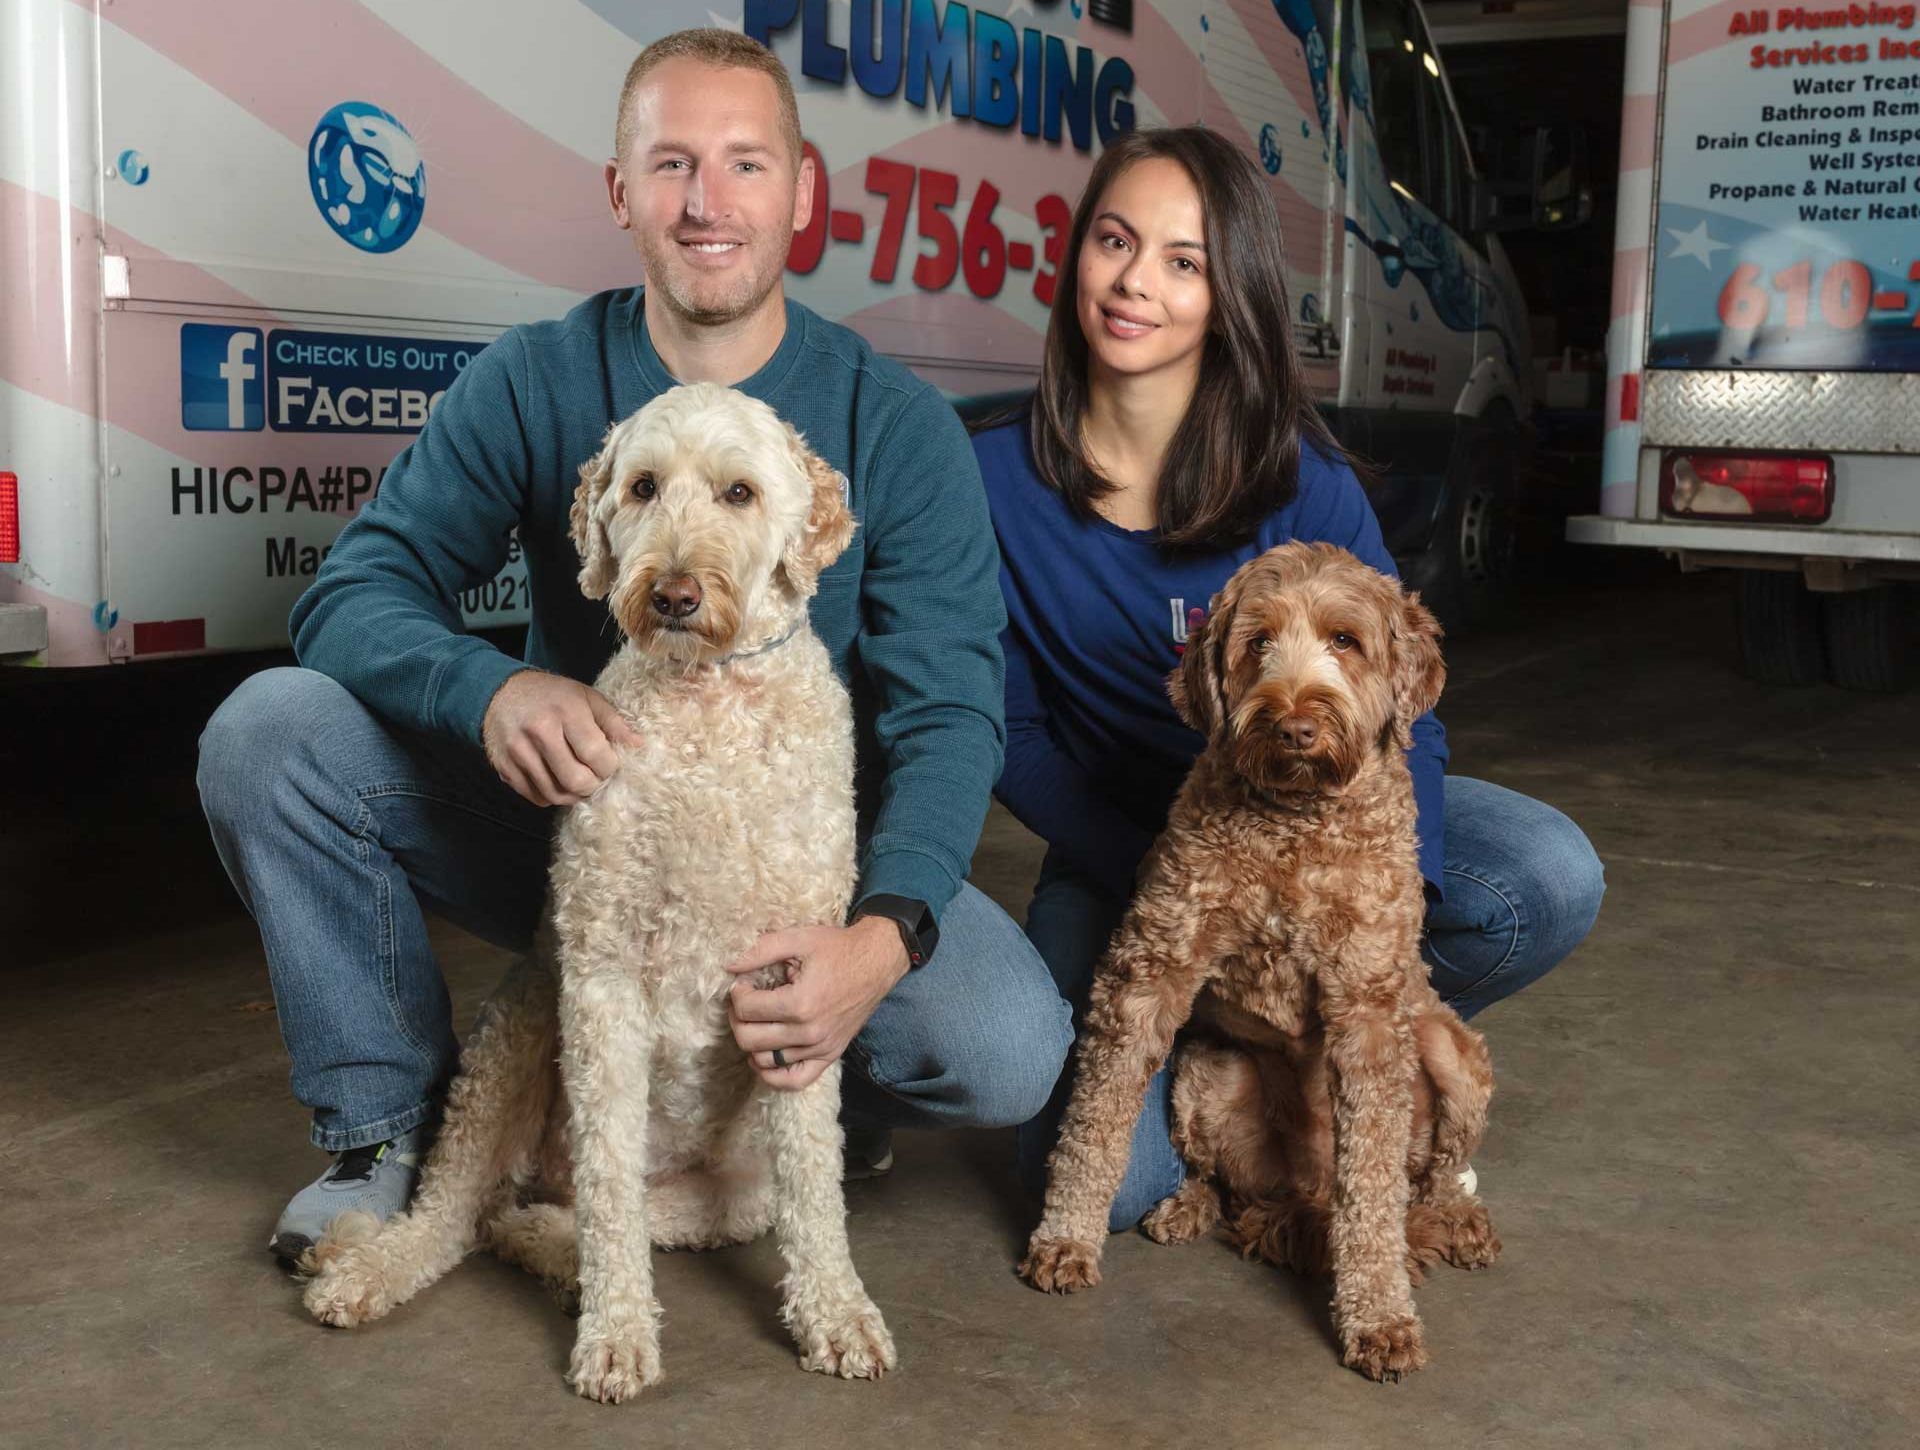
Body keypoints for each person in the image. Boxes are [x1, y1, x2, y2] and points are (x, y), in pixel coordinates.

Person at [197, 29, 1070, 1264]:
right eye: (670, 165)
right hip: (592, 833)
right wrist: (492, 688)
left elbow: (952, 716)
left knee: (1006, 1044)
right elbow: (353, 592)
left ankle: (816, 1091)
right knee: (268, 733)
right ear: (619, 192)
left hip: (801, 873)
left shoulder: (898, 424)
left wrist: (878, 939)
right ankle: (391, 1131)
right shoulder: (536, 380)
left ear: (803, 194)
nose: (707, 204)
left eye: (745, 165)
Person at [972, 127, 1605, 1233]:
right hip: (1131, 856)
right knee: (1110, 1191)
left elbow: (1405, 708)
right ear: (1073, 255)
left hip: (1334, 838)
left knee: (1546, 876)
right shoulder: (990, 481)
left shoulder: (1301, 479)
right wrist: (1195, 901)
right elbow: (1009, 730)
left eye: (1184, 261)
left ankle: (1328, 1062)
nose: (1135, 283)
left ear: (1233, 295)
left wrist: (1376, 930)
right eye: (1114, 242)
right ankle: (1228, 1069)